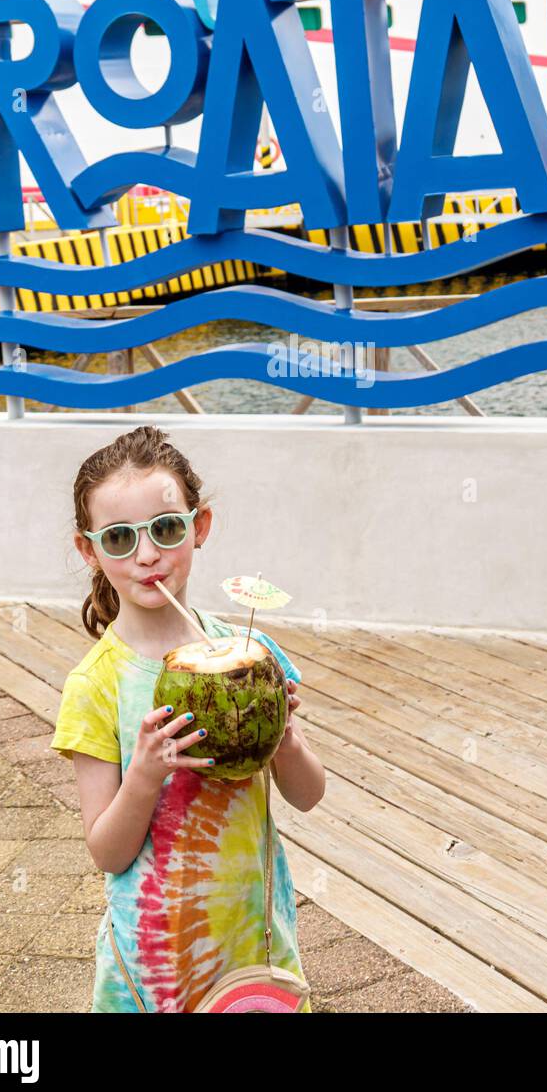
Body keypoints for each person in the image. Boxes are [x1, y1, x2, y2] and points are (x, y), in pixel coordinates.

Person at [50, 424, 325, 1012]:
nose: (147, 554)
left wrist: (282, 741)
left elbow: (307, 795)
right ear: (89, 550)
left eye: (166, 528)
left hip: (254, 934)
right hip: (155, 959)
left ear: (198, 528)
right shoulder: (96, 685)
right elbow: (107, 852)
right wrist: (145, 774)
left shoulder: (253, 654)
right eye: (119, 538)